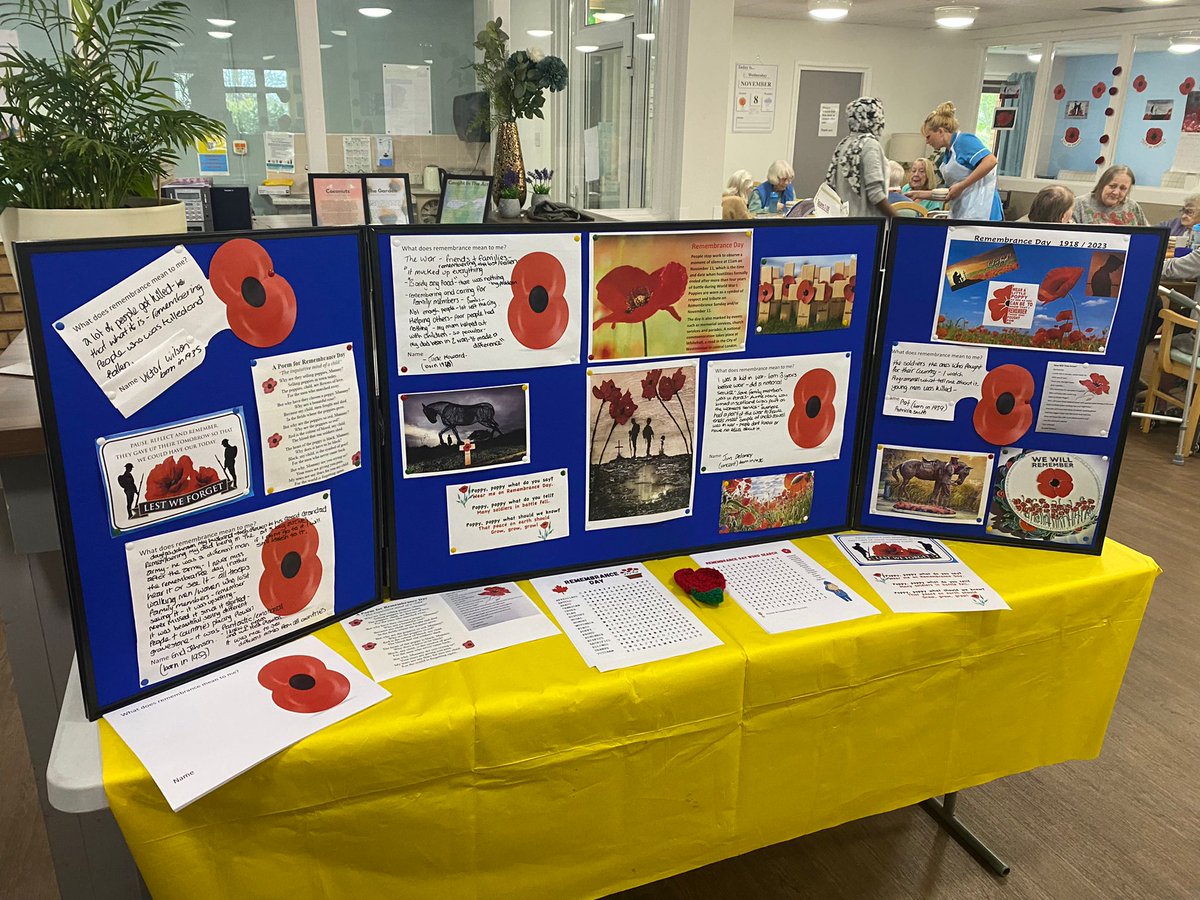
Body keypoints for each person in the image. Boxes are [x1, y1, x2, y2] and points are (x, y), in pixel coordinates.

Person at [909, 101, 1002, 220]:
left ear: (941, 132)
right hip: (965, 211)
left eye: (929, 136)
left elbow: (991, 161)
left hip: (983, 210)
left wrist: (962, 186)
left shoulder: (964, 141)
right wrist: (918, 194)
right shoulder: (948, 155)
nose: (927, 142)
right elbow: (949, 193)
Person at [824, 97, 898, 218]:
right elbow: (875, 194)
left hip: (844, 221)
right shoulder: (870, 145)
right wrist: (898, 220)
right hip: (867, 224)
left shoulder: (844, 144)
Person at [1073, 165, 1148, 226]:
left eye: (1123, 188)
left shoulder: (1133, 207)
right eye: (1112, 186)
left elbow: (1148, 235)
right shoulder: (1080, 204)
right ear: (1102, 185)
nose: (1116, 192)